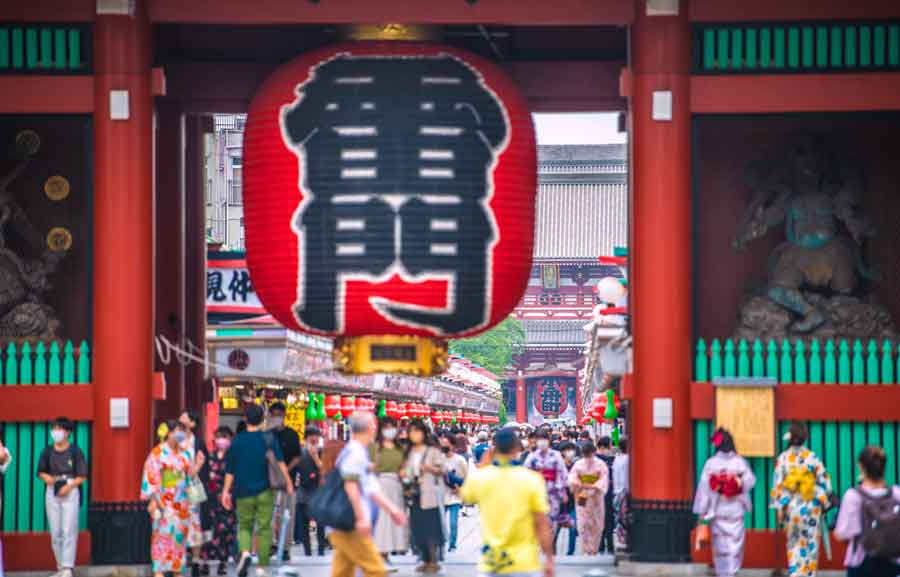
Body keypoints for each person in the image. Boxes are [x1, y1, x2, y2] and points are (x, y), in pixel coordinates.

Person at [461, 427, 554, 577]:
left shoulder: (481, 478)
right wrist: (549, 559)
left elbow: (466, 497)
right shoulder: (532, 479)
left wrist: (484, 464)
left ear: (493, 449)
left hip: (492, 562)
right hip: (524, 563)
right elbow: (541, 522)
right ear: (517, 448)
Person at [330, 412, 408, 577]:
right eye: (374, 425)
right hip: (350, 523)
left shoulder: (358, 451)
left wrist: (392, 510)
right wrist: (360, 518)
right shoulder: (355, 453)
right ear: (368, 428)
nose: (375, 428)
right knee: (375, 570)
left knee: (342, 571)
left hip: (343, 523)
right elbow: (351, 486)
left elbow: (370, 487)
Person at [221, 404, 293, 577]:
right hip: (265, 491)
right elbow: (281, 462)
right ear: (263, 419)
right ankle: (262, 564)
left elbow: (230, 469)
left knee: (244, 526)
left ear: (245, 419)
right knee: (264, 527)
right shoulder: (268, 438)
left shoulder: (237, 440)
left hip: (242, 490)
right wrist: (289, 483)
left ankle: (245, 552)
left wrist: (225, 491)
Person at [771, 422, 834, 577]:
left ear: (789, 438)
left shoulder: (783, 458)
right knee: (810, 543)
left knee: (794, 543)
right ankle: (809, 574)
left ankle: (795, 574)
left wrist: (780, 507)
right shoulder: (812, 457)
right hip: (811, 505)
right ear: (805, 438)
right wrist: (823, 498)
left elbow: (778, 485)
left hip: (791, 507)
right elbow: (825, 482)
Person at [693, 427, 756, 577]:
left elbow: (704, 490)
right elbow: (750, 481)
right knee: (735, 546)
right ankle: (733, 571)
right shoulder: (739, 462)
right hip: (735, 510)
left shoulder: (711, 463)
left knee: (721, 547)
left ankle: (723, 573)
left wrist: (702, 511)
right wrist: (736, 482)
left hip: (718, 511)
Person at [833, 446, 900, 577]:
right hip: (893, 562)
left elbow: (842, 534)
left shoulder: (853, 496)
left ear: (861, 467)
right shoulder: (897, 494)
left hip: (861, 562)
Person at [142, 420, 195, 577]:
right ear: (169, 433)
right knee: (161, 537)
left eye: (183, 432)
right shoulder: (158, 453)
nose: (181, 435)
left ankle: (177, 571)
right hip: (163, 502)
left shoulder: (185, 453)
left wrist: (196, 466)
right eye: (178, 431)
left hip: (182, 503)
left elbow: (191, 477)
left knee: (179, 540)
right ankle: (159, 572)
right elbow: (150, 477)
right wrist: (152, 501)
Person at [37, 417, 87, 577]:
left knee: (68, 529)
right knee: (55, 530)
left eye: (60, 429)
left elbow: (82, 475)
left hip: (70, 488)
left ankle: (67, 567)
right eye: (54, 429)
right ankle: (60, 566)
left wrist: (69, 486)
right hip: (52, 488)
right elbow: (41, 471)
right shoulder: (47, 451)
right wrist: (47, 479)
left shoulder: (75, 451)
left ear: (68, 432)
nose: (56, 432)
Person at [403, 419, 447, 574]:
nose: (414, 435)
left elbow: (443, 469)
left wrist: (429, 468)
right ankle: (424, 559)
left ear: (424, 433)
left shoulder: (432, 450)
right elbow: (406, 470)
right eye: (412, 431)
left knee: (432, 529)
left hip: (428, 494)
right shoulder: (408, 452)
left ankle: (434, 561)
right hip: (414, 494)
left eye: (417, 431)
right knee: (418, 528)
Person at [371, 417, 408, 565]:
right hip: (378, 486)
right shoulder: (374, 447)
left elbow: (405, 467)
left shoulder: (400, 449)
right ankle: (380, 553)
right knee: (380, 521)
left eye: (392, 427)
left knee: (393, 520)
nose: (389, 430)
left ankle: (387, 553)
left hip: (396, 486)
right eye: (386, 427)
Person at [267, 402, 302, 561]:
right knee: (269, 515)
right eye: (273, 415)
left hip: (288, 482)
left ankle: (286, 547)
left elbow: (297, 456)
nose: (276, 418)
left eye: (279, 415)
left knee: (287, 514)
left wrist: (285, 469)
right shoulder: (267, 435)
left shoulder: (292, 434)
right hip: (269, 482)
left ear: (284, 416)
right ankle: (270, 545)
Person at [202, 426, 238, 576]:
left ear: (230, 439)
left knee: (225, 532)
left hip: (227, 500)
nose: (221, 440)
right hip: (210, 499)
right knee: (208, 531)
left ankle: (222, 563)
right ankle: (204, 563)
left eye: (225, 436)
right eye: (218, 436)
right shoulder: (209, 457)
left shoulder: (234, 458)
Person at [179, 410, 208, 577]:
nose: (181, 419)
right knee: (179, 520)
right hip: (178, 485)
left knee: (195, 521)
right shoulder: (176, 439)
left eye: (184, 417)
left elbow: (205, 463)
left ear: (192, 423)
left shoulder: (198, 442)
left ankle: (196, 559)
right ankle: (181, 556)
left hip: (194, 485)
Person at [567, 439, 609, 555]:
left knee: (597, 524)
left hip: (596, 496)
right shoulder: (579, 464)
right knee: (582, 524)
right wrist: (578, 484)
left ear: (593, 452)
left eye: (588, 453)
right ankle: (586, 549)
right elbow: (572, 478)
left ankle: (594, 549)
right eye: (585, 454)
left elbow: (604, 479)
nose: (587, 456)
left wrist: (594, 486)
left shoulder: (600, 464)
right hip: (583, 495)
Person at [523, 429, 569, 534]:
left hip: (553, 494)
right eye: (539, 439)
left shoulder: (556, 455)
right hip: (536, 494)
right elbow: (524, 475)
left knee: (551, 525)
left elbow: (562, 473)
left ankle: (549, 546)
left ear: (548, 440)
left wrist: (563, 491)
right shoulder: (532, 457)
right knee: (537, 525)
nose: (542, 442)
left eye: (544, 439)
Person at [295, 426, 327, 557]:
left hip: (318, 493)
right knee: (303, 524)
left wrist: (315, 458)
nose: (314, 440)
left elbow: (325, 470)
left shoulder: (322, 452)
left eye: (316, 437)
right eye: (311, 437)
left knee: (320, 524)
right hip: (302, 492)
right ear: (306, 438)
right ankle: (307, 550)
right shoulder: (300, 452)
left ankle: (321, 549)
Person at [443, 433, 469, 553]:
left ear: (453, 445)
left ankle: (452, 544)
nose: (444, 447)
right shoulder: (439, 459)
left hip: (455, 495)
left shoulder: (460, 460)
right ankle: (441, 542)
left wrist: (460, 488)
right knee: (440, 522)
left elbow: (466, 477)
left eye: (447, 445)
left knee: (453, 522)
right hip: (441, 495)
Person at [554, 441, 579, 556]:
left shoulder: (577, 465)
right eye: (567, 450)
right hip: (558, 503)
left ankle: (570, 553)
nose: (570, 452)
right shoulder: (556, 466)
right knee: (555, 531)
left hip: (573, 502)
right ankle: (552, 552)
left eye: (571, 450)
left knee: (573, 529)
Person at [596, 436, 616, 554]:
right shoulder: (607, 460)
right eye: (610, 445)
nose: (612, 448)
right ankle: (606, 545)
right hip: (604, 493)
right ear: (604, 447)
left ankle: (603, 545)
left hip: (603, 494)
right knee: (607, 520)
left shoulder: (609, 459)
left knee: (605, 520)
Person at [612, 438, 630, 552]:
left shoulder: (617, 459)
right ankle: (625, 541)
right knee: (624, 518)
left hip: (616, 492)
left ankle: (620, 540)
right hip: (625, 492)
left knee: (619, 518)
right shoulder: (628, 459)